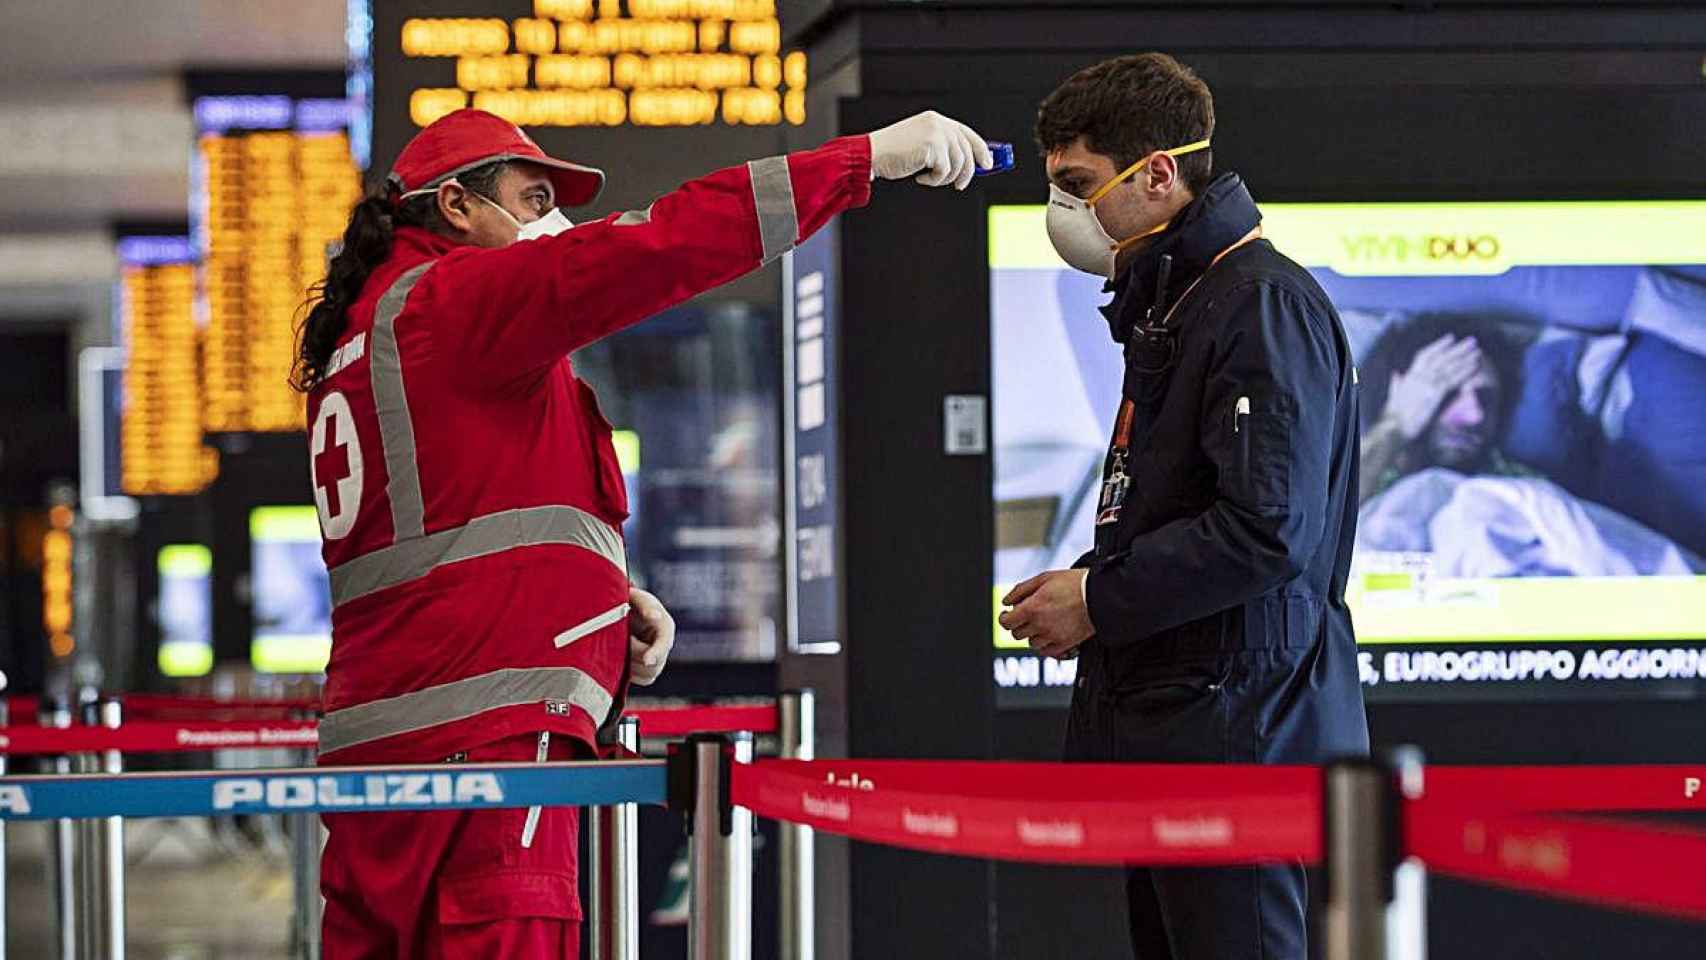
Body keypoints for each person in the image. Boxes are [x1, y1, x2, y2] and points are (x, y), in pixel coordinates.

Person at [294, 106, 993, 958]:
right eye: (534, 196)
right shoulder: (456, 302)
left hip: (381, 757)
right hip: (486, 746)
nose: (558, 220)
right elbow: (664, 243)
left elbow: (435, 531)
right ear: (456, 206)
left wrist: (593, 600)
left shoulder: (367, 335)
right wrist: (863, 161)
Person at [998, 54, 1369, 959]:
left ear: (1158, 173)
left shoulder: (1258, 303)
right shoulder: (1184, 298)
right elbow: (1179, 506)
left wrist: (1099, 601)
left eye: (1080, 185)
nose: (1065, 215)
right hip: (1183, 720)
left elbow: (1266, 529)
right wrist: (1092, 585)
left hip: (1236, 725)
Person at [1357, 312, 1528, 504]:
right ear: (1396, 392)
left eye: (1486, 398)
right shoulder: (1347, 468)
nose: (1476, 415)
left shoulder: (1516, 484)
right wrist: (1397, 424)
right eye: (1449, 392)